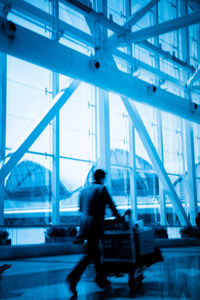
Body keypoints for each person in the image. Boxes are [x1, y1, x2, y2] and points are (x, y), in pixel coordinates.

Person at [66, 169, 123, 296]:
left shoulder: (84, 190)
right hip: (95, 225)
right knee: (91, 254)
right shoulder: (102, 189)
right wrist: (119, 218)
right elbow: (111, 206)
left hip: (84, 225)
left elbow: (81, 209)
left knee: (95, 253)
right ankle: (74, 276)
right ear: (102, 178)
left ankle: (101, 279)